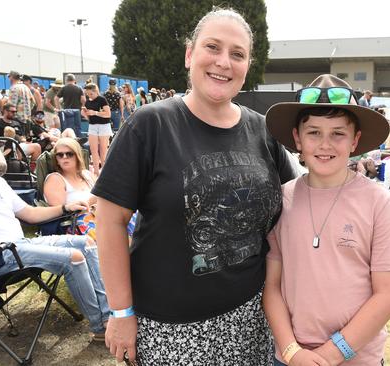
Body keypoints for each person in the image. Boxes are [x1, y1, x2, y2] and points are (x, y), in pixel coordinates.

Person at [93, 8, 297, 365]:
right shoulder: (150, 125)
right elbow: (109, 221)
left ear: (248, 64)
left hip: (251, 316)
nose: (223, 62)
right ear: (190, 54)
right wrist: (121, 311)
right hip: (170, 328)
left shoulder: (263, 130)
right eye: (212, 47)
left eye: (237, 54)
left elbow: (297, 202)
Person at [263, 74, 390, 366]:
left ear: (355, 140)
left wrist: (330, 354)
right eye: (313, 132)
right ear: (297, 138)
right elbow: (272, 286)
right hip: (290, 358)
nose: (325, 144)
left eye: (338, 133)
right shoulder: (281, 199)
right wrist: (292, 351)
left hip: (356, 358)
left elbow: (388, 295)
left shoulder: (379, 203)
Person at [0, 129, 109, 341]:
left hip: (17, 247)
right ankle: (100, 329)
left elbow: (30, 214)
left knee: (86, 243)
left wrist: (65, 208)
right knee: (73, 258)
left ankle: (108, 317)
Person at [81, 83, 111, 176]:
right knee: (93, 150)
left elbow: (108, 114)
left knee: (103, 150)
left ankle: (105, 172)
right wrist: (85, 114)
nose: (89, 96)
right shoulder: (88, 101)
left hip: (104, 126)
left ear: (96, 91)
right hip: (92, 126)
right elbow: (89, 118)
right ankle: (96, 172)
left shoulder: (102, 99)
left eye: (91, 94)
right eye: (87, 94)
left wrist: (95, 113)